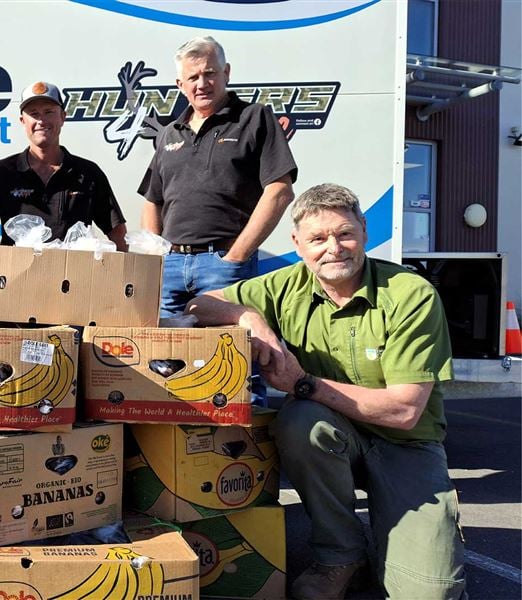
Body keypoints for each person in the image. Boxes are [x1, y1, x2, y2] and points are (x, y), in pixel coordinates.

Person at [185, 183, 466, 600]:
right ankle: (341, 556)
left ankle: (417, 534)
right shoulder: (285, 286)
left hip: (406, 444)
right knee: (301, 422)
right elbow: (199, 305)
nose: (333, 248)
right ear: (298, 244)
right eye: (317, 238)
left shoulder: (411, 294)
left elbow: (405, 411)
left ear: (364, 233)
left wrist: (304, 383)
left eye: (344, 234)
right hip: (331, 435)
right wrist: (248, 317)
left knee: (430, 594)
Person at [141, 35, 297, 317]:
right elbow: (154, 200)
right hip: (169, 268)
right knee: (163, 356)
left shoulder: (255, 118)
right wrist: (155, 260)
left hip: (224, 265)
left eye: (210, 73)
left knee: (228, 356)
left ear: (226, 73)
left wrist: (236, 256)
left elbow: (280, 191)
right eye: (193, 77)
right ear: (180, 85)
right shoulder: (168, 133)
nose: (202, 84)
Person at [0, 81, 127, 277]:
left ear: (63, 117)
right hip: (16, 287)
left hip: (73, 286)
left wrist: (118, 284)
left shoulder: (89, 173)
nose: (41, 120)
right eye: (34, 113)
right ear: (23, 121)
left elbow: (117, 233)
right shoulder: (2, 172)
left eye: (49, 112)